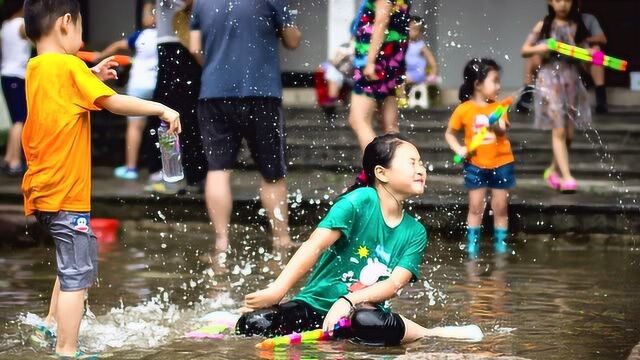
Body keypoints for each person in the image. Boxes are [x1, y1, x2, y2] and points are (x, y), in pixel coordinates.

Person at [21, 0, 180, 357]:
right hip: (67, 191)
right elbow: (114, 103)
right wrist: (160, 107)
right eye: (79, 28)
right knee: (77, 277)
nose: (82, 36)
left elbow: (60, 95)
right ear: (65, 24)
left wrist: (90, 75)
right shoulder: (67, 65)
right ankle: (67, 349)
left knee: (72, 262)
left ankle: (49, 325)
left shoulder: (37, 67)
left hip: (43, 189)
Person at [237, 134, 436, 346]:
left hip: (358, 315)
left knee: (365, 321)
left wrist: (348, 300)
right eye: (412, 162)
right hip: (314, 306)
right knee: (254, 324)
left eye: (421, 163)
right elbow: (315, 245)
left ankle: (429, 332)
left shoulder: (415, 232)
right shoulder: (360, 201)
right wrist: (278, 290)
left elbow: (393, 284)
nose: (421, 169)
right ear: (381, 173)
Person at [190, 0, 301, 251]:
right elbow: (292, 40)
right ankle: (281, 239)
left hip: (213, 92)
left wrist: (217, 65)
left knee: (218, 170)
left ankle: (221, 241)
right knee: (272, 172)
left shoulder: (202, 3)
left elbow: (195, 49)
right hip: (261, 92)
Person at [444, 58, 515, 258]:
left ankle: (500, 244)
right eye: (495, 81)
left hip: (501, 163)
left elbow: (502, 131)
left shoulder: (499, 108)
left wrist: (495, 125)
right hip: (475, 165)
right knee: (476, 206)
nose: (499, 86)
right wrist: (458, 148)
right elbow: (450, 133)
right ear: (477, 84)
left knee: (500, 207)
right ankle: (472, 246)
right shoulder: (464, 109)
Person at [521, 0, 592, 193]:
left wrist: (588, 54)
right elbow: (525, 50)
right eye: (558, 0)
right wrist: (542, 48)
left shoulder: (577, 27)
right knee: (559, 129)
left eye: (567, 0)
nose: (563, 4)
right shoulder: (543, 25)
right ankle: (566, 177)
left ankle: (553, 170)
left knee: (568, 133)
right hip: (550, 81)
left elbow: (588, 58)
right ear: (551, 2)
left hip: (571, 82)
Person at [144, 0, 207, 194]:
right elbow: (148, 19)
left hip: (187, 48)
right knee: (165, 116)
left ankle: (194, 175)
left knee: (189, 117)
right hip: (172, 49)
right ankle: (163, 173)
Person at [96, 0, 157, 181]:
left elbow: (117, 46)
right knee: (159, 126)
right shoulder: (166, 36)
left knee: (134, 128)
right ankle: (159, 171)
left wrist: (100, 56)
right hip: (156, 86)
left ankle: (131, 168)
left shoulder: (140, 36)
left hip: (138, 85)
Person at [348, 0, 411, 154]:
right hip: (391, 60)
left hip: (377, 61)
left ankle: (380, 168)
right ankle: (398, 168)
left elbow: (382, 21)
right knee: (390, 128)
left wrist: (370, 62)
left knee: (358, 120)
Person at [516, 9, 608, 114]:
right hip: (553, 60)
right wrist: (546, 48)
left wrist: (584, 43)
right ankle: (525, 97)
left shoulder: (588, 19)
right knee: (532, 56)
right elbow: (528, 49)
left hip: (578, 59)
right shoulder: (546, 22)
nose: (563, 5)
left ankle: (601, 99)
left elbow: (602, 38)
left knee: (597, 53)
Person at [0, 0, 30, 176]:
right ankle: (15, 161)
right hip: (17, 76)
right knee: (20, 120)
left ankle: (9, 158)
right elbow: (38, 36)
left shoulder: (5, 25)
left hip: (6, 74)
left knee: (14, 119)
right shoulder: (21, 25)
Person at [405, 15, 438, 87]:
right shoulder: (403, 43)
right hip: (406, 72)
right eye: (410, 28)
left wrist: (433, 73)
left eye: (415, 29)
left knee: (403, 79)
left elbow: (431, 59)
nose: (411, 31)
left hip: (418, 73)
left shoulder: (420, 45)